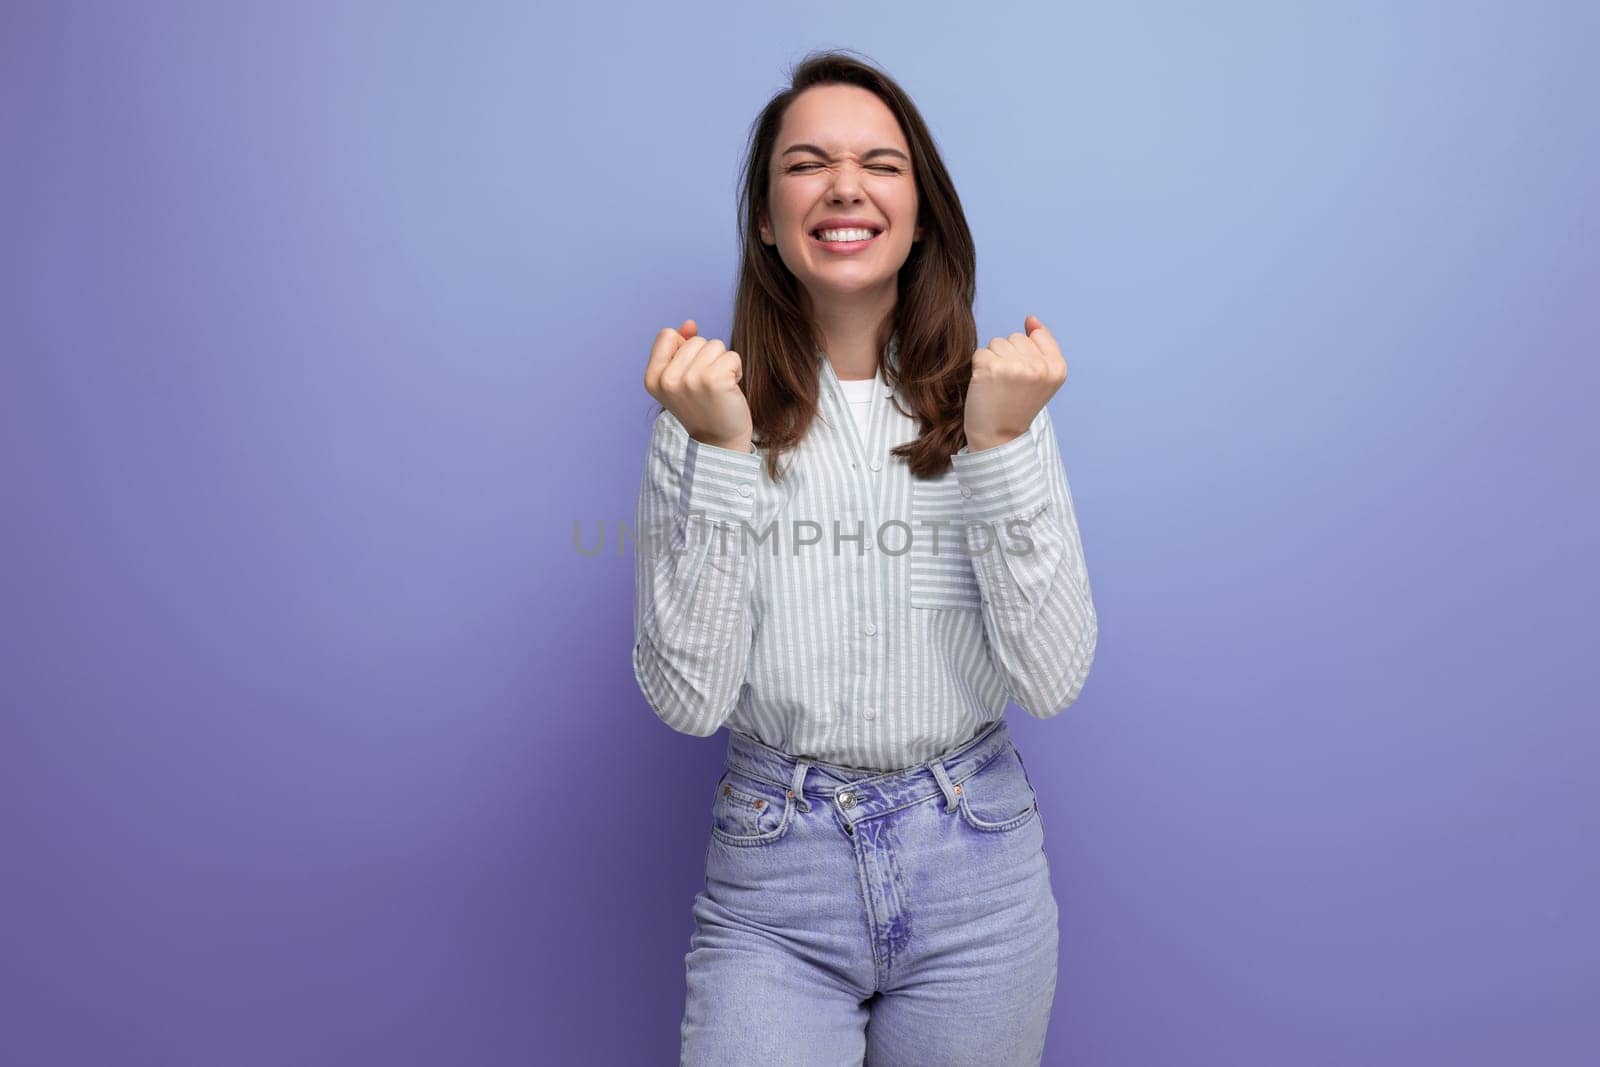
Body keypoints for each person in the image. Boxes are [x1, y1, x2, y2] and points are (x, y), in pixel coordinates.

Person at [632, 49, 1098, 1066]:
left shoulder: (995, 403)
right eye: (807, 162)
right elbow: (687, 700)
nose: (844, 184)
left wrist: (1001, 448)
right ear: (765, 215)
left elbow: (1052, 679)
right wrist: (718, 451)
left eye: (880, 163)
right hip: (774, 875)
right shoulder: (704, 411)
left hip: (976, 867)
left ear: (920, 209)